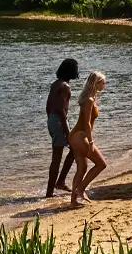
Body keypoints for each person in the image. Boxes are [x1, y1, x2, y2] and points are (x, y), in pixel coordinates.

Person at [68, 71, 107, 208]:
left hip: (76, 136)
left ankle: (73, 201)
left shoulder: (91, 97)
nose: (105, 85)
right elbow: (86, 123)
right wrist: (91, 142)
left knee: (82, 168)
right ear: (95, 84)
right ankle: (81, 189)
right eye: (103, 82)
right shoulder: (89, 100)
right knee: (101, 164)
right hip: (79, 136)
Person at [45, 58, 79, 197]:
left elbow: (48, 106)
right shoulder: (65, 86)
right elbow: (60, 109)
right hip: (60, 121)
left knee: (61, 155)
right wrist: (67, 131)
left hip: (52, 120)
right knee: (71, 151)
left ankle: (54, 187)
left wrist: (50, 122)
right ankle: (56, 186)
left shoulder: (55, 84)